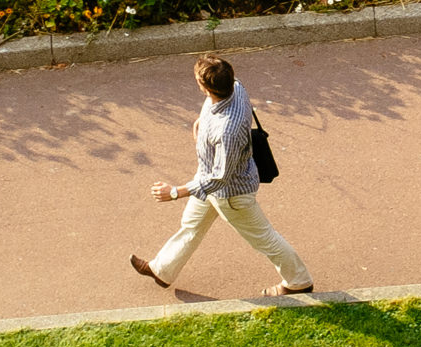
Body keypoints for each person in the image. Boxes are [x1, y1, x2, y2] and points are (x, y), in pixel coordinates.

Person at [132, 53, 314, 296]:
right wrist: (201, 121)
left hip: (231, 195)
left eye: (198, 80)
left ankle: (299, 282)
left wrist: (175, 192)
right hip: (210, 184)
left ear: (206, 88)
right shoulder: (236, 87)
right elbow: (212, 108)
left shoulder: (226, 131)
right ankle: (162, 270)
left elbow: (220, 177)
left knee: (264, 239)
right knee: (191, 225)